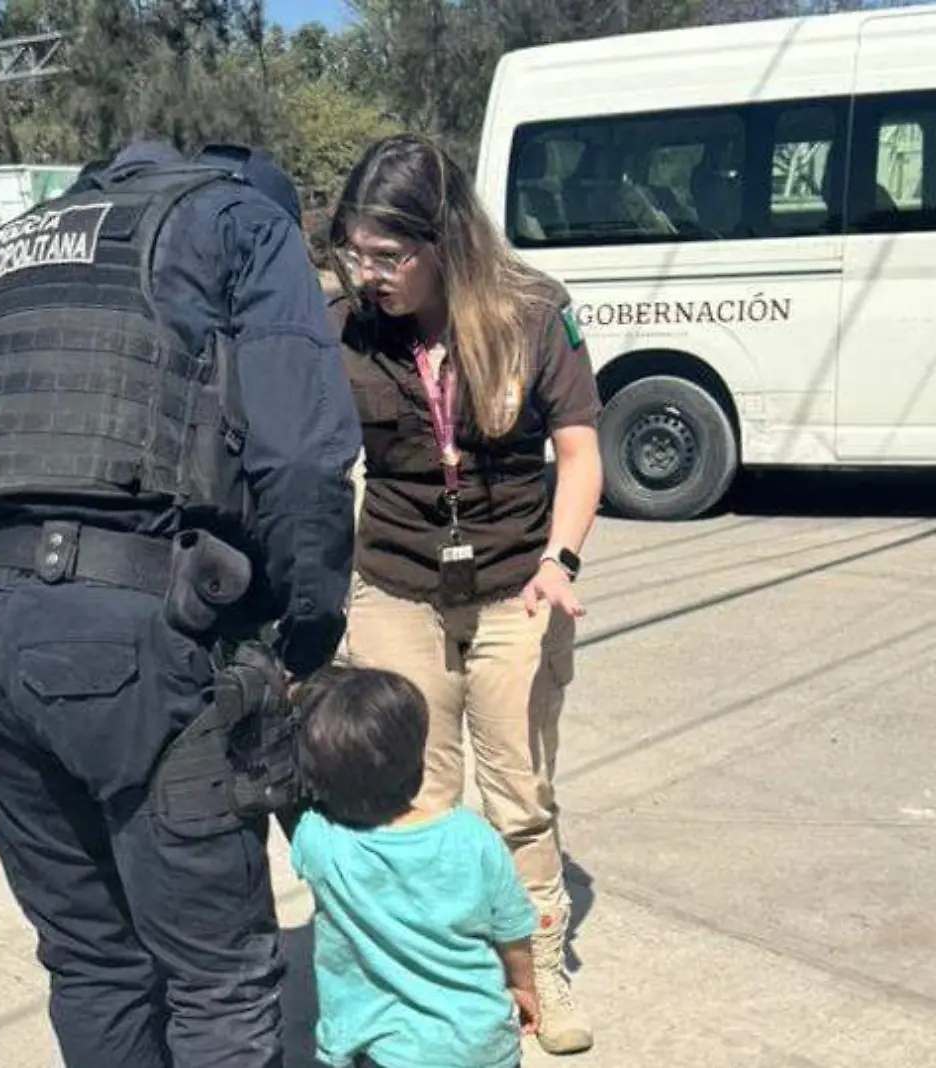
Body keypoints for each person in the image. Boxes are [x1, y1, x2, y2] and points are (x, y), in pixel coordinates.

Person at [0, 138, 361, 1068]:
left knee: (92, 962)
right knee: (218, 979)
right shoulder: (243, 221)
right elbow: (301, 461)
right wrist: (304, 637)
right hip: (141, 647)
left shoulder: (9, 247)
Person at [327, 132, 604, 1055]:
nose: (369, 275)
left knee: (521, 797)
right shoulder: (343, 329)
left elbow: (578, 450)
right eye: (354, 253)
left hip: (517, 589)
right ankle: (451, 981)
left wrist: (560, 561)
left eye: (388, 256)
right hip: (396, 587)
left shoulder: (531, 312)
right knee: (419, 804)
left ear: (445, 239)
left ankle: (543, 970)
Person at [290, 666, 541, 1068]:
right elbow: (511, 928)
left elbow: (287, 799)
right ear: (419, 759)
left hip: (385, 1052)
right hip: (480, 1045)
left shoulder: (321, 842)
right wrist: (523, 986)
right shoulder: (471, 837)